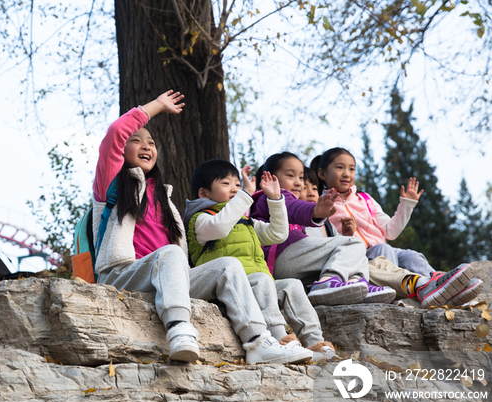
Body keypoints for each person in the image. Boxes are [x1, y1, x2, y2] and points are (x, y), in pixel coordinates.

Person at [93, 90, 312, 365]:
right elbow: (115, 133)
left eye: (151, 142)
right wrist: (158, 106)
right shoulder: (110, 186)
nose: (146, 146)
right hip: (123, 274)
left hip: (170, 276)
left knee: (228, 265)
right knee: (170, 253)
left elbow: (274, 234)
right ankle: (179, 329)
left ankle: (258, 342)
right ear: (121, 151)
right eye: (136, 141)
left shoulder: (164, 198)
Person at [183, 159, 332, 361]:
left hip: (255, 286)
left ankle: (315, 341)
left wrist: (275, 199)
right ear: (204, 193)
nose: (235, 189)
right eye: (226, 184)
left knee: (291, 285)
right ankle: (280, 339)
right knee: (262, 279)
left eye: (237, 184)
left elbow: (278, 234)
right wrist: (245, 195)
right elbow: (220, 226)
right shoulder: (201, 219)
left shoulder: (246, 222)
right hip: (227, 288)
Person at [315, 147, 483, 308]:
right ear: (322, 173)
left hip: (385, 249)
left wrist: (407, 205)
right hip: (361, 258)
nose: (347, 173)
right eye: (340, 167)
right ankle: (409, 292)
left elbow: (391, 231)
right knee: (384, 249)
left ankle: (442, 287)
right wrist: (347, 236)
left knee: (412, 256)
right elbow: (327, 243)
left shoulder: (365, 199)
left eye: (352, 169)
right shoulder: (321, 206)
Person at [249, 152, 396, 306]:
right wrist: (315, 211)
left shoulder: (279, 198)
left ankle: (357, 284)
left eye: (300, 177)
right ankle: (328, 281)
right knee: (353, 243)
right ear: (269, 178)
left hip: (293, 263)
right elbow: (293, 208)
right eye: (291, 176)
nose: (299, 183)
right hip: (280, 255)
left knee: (355, 251)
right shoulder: (271, 197)